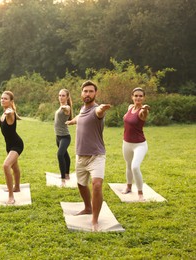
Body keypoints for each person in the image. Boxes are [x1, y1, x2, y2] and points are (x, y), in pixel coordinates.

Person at [66, 80, 111, 231]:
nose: (88, 94)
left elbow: (98, 113)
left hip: (96, 156)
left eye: (91, 91)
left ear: (95, 93)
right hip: (80, 155)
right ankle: (87, 207)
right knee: (81, 184)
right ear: (81, 94)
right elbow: (79, 118)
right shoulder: (82, 110)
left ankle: (95, 220)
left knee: (97, 185)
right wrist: (71, 121)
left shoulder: (97, 110)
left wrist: (103, 109)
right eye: (85, 91)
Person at [122, 87, 150, 201]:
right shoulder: (130, 107)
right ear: (132, 97)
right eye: (136, 95)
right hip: (126, 143)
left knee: (135, 166)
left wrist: (145, 108)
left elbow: (143, 113)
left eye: (140, 96)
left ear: (143, 98)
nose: (138, 97)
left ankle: (140, 193)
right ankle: (128, 187)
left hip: (140, 144)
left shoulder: (143, 111)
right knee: (128, 166)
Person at [0, 91, 24, 204]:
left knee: (6, 165)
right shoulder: (4, 112)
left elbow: (11, 113)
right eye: (2, 98)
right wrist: (8, 111)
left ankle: (11, 196)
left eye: (5, 99)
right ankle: (17, 187)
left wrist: (10, 112)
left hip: (16, 144)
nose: (3, 100)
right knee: (14, 166)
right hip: (9, 145)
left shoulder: (10, 113)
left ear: (11, 101)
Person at [54, 89, 73, 186]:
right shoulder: (60, 107)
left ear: (67, 97)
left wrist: (64, 107)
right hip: (58, 137)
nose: (61, 97)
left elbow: (67, 108)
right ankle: (67, 174)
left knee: (60, 155)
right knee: (65, 155)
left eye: (63, 96)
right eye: (59, 95)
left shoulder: (67, 107)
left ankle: (63, 179)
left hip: (65, 137)